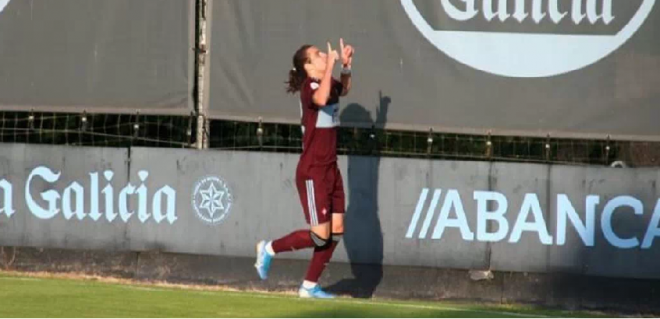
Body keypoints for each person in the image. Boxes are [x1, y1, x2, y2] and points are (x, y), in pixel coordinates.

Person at [254, 39, 354, 299]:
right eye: (318, 55)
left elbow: (342, 90)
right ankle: (269, 249)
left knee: (337, 231)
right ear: (308, 66)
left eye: (323, 54)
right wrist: (331, 65)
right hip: (313, 172)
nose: (323, 55)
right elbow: (321, 98)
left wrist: (345, 66)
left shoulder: (326, 83)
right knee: (320, 237)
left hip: (332, 169)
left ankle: (309, 286)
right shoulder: (310, 87)